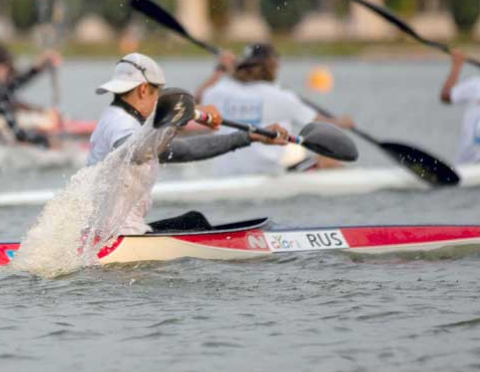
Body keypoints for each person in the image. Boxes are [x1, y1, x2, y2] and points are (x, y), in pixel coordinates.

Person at [88, 52, 290, 234]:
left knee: (193, 220)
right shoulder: (120, 121)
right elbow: (136, 152)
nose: (159, 99)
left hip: (113, 233)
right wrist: (176, 119)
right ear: (142, 90)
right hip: (118, 237)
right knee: (196, 223)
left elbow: (184, 151)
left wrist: (248, 137)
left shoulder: (122, 120)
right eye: (158, 92)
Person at [195, 43, 353, 175]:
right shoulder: (282, 97)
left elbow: (193, 103)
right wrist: (342, 122)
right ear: (272, 65)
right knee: (327, 161)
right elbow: (323, 127)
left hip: (225, 176)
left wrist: (219, 71)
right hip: (269, 173)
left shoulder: (218, 91)